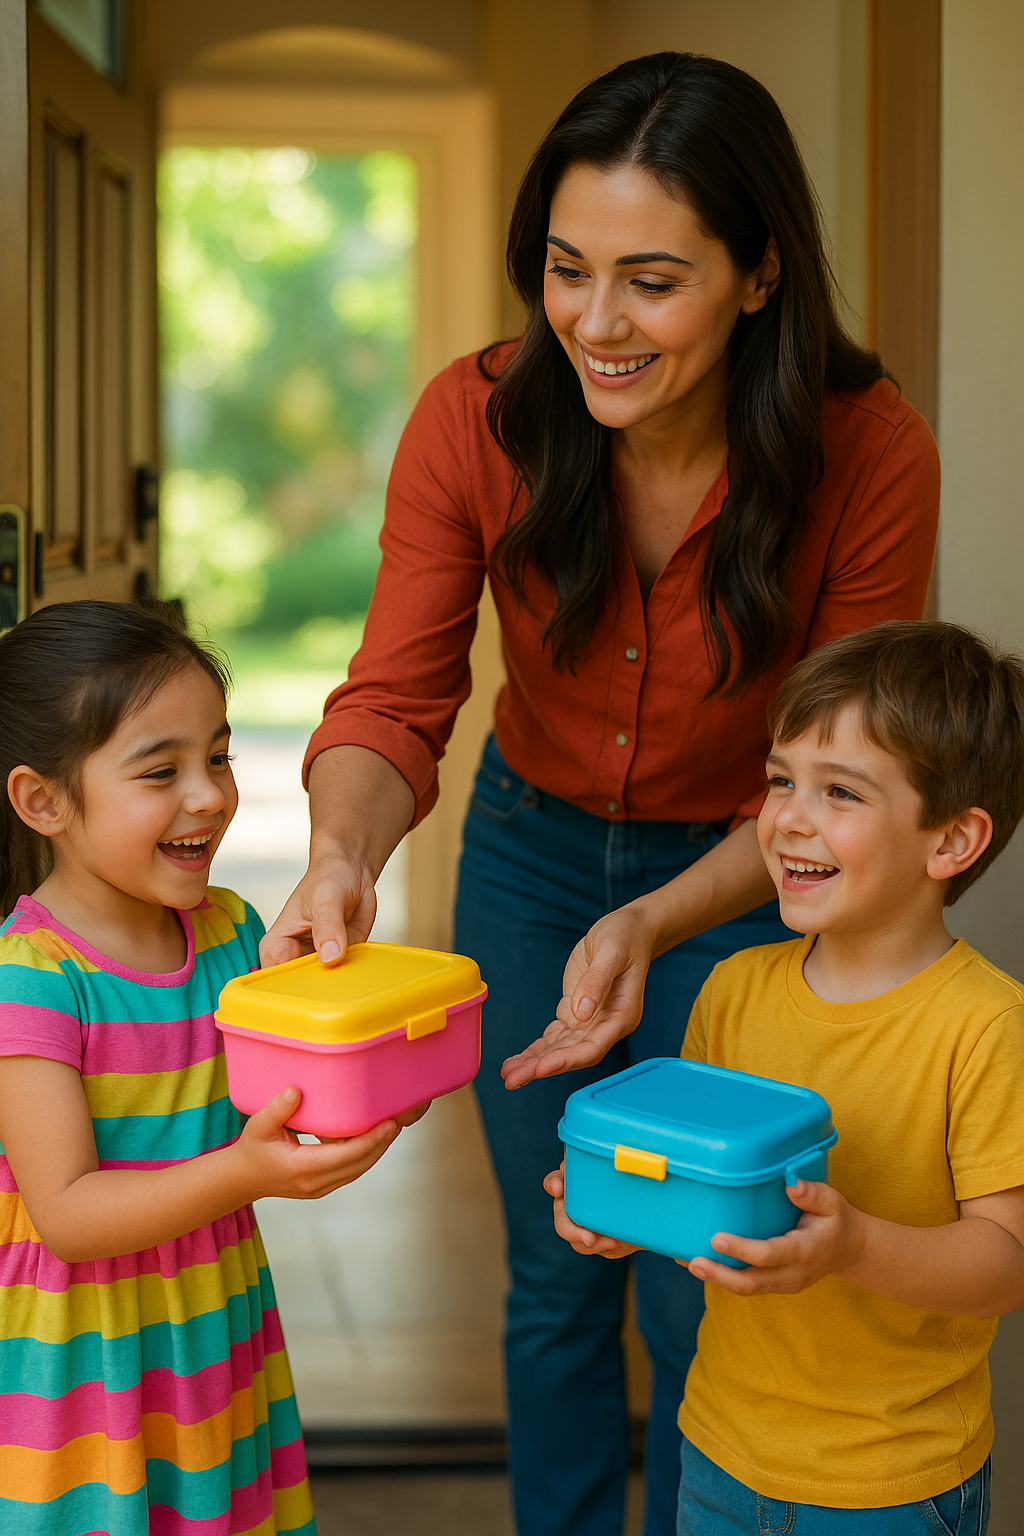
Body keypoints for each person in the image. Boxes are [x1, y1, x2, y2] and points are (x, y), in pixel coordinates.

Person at [262, 52, 940, 1536]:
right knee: (558, 1270)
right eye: (567, 271)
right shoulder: (480, 417)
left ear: (761, 275)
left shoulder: (870, 450)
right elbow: (395, 698)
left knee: (708, 1266)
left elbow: (845, 778)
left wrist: (653, 920)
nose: (596, 321)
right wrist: (337, 856)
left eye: (653, 280)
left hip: (761, 877)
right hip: (528, 851)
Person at [549, 620, 1024, 1535]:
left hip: (893, 1480)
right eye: (779, 781)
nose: (788, 818)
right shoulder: (730, 993)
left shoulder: (988, 1027)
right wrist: (618, 1208)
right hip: (720, 1450)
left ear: (952, 841)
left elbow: (1006, 1263)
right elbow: (700, 1183)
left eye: (839, 791)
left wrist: (855, 1248)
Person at [0, 601, 425, 1536]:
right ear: (44, 801)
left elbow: (277, 1099)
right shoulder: (32, 980)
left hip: (208, 1325)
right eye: (162, 771)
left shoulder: (233, 931)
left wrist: (370, 1078)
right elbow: (67, 1214)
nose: (210, 795)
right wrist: (245, 1172)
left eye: (219, 757)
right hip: (83, 1355)